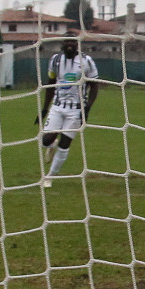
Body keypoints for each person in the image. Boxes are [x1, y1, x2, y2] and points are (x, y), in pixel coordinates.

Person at [38, 32, 99, 188]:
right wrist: (44, 108)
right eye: (67, 42)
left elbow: (94, 86)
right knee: (45, 141)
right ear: (63, 44)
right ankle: (51, 146)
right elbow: (51, 84)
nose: (70, 44)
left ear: (77, 44)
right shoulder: (55, 60)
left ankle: (49, 177)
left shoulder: (87, 61)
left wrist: (87, 108)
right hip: (57, 107)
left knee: (64, 144)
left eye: (73, 42)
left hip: (76, 110)